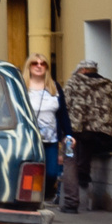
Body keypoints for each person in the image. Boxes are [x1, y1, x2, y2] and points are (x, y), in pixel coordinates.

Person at [63, 58, 112, 213]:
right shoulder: (108, 85)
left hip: (72, 131)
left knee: (69, 160)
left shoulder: (74, 82)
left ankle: (71, 202)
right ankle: (83, 176)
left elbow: (64, 104)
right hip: (97, 133)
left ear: (84, 70)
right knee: (85, 152)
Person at [24, 55, 69, 203]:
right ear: (29, 67)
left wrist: (69, 134)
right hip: (28, 138)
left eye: (42, 63)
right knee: (30, 171)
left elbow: (63, 113)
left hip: (51, 138)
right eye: (34, 63)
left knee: (51, 173)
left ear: (47, 68)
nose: (38, 66)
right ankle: (29, 200)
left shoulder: (54, 87)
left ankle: (44, 196)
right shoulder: (23, 86)